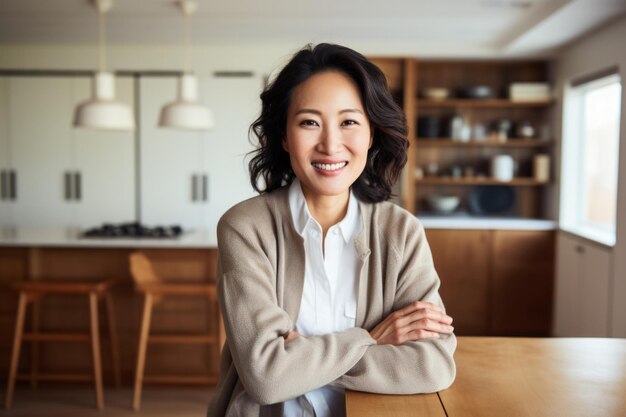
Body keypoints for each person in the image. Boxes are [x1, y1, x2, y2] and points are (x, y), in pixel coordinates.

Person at [207, 43, 456, 417]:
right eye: (309, 122)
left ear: (371, 134)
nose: (330, 144)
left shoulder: (401, 232)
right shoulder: (245, 228)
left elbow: (433, 364)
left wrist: (301, 359)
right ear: (284, 136)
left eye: (349, 122)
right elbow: (266, 377)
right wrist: (370, 340)